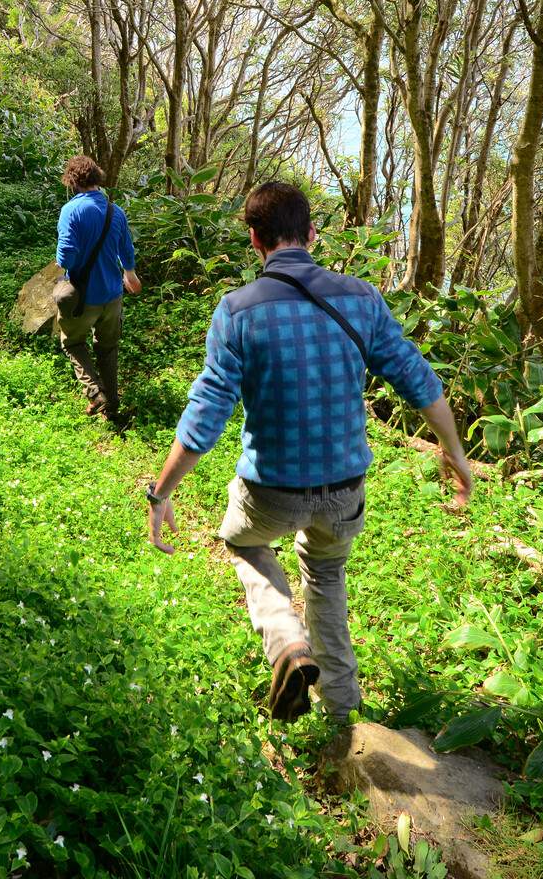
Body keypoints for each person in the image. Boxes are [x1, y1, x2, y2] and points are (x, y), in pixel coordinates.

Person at [143, 181, 474, 726]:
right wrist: (455, 452)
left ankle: (288, 644)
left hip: (270, 491)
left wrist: (162, 492)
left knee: (242, 543)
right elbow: (420, 381)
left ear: (255, 240)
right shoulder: (362, 299)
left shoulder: (237, 311)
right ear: (313, 234)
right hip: (345, 492)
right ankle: (342, 710)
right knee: (325, 574)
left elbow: (206, 415)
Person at [54, 155, 141, 427]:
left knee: (72, 342)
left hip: (84, 298)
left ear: (71, 181)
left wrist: (62, 262)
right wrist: (130, 275)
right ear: (97, 178)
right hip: (113, 295)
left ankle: (96, 392)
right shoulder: (116, 212)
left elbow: (66, 257)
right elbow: (127, 251)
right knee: (108, 348)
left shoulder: (72, 210)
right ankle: (113, 406)